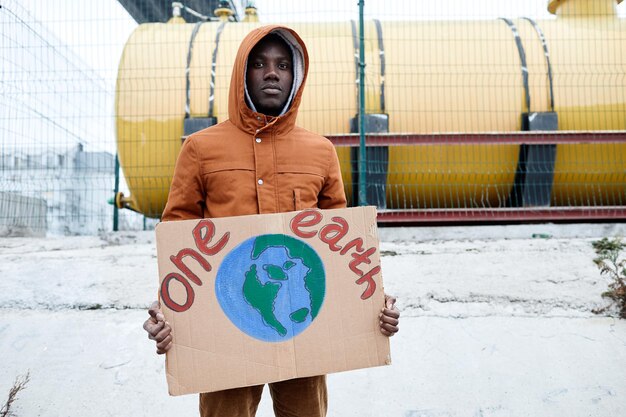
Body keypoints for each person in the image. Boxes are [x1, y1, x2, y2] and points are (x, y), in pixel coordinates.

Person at [143, 25, 400, 417]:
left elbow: (342, 249)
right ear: (242, 75)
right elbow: (177, 242)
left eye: (282, 64)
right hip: (226, 326)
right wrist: (171, 312)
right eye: (260, 64)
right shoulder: (200, 149)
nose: (272, 73)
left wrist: (371, 303)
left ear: (296, 76)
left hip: (302, 323)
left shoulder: (321, 152)